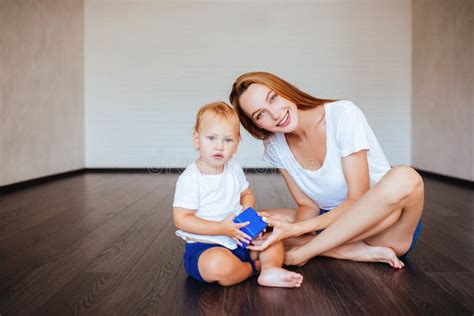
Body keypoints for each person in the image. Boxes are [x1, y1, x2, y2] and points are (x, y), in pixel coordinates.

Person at [229, 72, 423, 268]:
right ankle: (350, 252)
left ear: (284, 90)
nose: (276, 114)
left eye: (273, 98)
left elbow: (357, 198)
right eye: (260, 114)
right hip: (329, 220)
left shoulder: (342, 114)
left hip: (383, 224)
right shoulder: (274, 144)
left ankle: (303, 252)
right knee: (257, 220)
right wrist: (286, 228)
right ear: (255, 125)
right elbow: (307, 205)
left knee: (405, 177)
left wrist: (296, 230)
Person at [173, 101, 303, 287]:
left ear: (237, 144)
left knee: (272, 237)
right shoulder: (192, 178)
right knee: (216, 265)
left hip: (240, 238)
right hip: (206, 245)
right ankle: (256, 268)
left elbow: (246, 194)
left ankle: (270, 269)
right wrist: (221, 228)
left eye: (228, 140)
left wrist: (247, 214)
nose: (219, 146)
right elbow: (181, 219)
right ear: (197, 140)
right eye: (211, 138)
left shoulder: (233, 168)